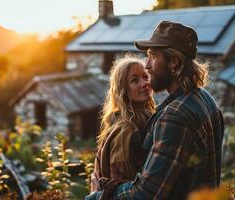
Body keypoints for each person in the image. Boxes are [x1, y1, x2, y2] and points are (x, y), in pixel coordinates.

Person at [86, 20, 224, 200]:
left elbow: (145, 194)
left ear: (174, 62)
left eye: (152, 56)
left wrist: (97, 196)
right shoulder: (206, 99)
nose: (148, 65)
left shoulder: (175, 116)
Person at [90, 56, 155, 198]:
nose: (144, 83)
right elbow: (120, 183)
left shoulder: (145, 117)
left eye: (145, 77)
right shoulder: (126, 129)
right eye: (134, 80)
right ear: (123, 89)